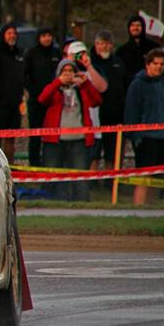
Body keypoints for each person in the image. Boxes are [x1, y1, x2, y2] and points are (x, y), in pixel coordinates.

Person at [38, 59, 102, 201]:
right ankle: (49, 201)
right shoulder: (54, 88)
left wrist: (85, 83)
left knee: (80, 175)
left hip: (78, 140)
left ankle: (82, 203)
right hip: (55, 140)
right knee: (51, 173)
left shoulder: (82, 89)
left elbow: (97, 101)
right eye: (64, 71)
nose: (67, 74)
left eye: (70, 71)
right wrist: (57, 83)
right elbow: (42, 99)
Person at [124, 49, 164, 205]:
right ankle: (138, 208)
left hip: (163, 137)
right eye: (155, 64)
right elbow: (131, 112)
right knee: (143, 177)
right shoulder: (137, 84)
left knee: (157, 177)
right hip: (145, 138)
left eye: (162, 64)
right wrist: (135, 137)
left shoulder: (162, 83)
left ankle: (150, 210)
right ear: (147, 64)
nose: (158, 67)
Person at [64, 41, 108, 169]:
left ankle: (91, 185)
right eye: (76, 55)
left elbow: (102, 88)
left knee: (93, 157)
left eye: (82, 54)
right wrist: (69, 63)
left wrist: (88, 66)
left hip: (93, 123)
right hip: (70, 126)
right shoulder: (64, 73)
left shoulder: (91, 71)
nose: (79, 58)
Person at [23, 26, 62, 166]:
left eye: (49, 35)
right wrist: (33, 91)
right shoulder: (31, 54)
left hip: (54, 101)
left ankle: (51, 163)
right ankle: (34, 164)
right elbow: (24, 75)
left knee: (52, 134)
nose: (47, 38)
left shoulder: (56, 53)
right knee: (35, 134)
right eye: (44, 35)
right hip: (36, 100)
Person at [89, 30, 128, 171]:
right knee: (94, 153)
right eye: (100, 43)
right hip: (95, 115)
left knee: (113, 153)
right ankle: (91, 182)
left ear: (112, 45)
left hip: (116, 113)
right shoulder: (90, 62)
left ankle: (111, 182)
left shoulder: (118, 61)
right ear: (95, 44)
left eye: (107, 43)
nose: (104, 47)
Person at [0, 23, 25, 161]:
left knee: (11, 138)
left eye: (14, 33)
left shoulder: (19, 53)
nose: (12, 36)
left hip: (15, 102)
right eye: (9, 33)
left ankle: (10, 167)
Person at [117, 15, 160, 79]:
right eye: (132, 25)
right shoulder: (121, 51)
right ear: (129, 28)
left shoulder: (154, 47)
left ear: (143, 27)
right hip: (130, 86)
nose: (135, 28)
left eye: (138, 25)